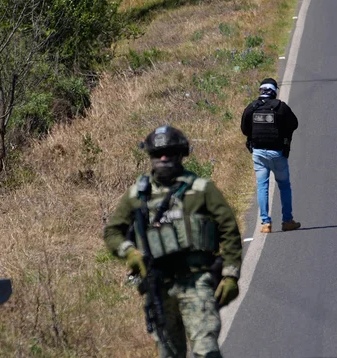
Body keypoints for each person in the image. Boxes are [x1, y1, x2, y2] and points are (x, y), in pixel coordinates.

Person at [103, 126, 243, 358]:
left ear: (181, 154)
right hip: (159, 286)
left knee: (206, 350)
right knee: (169, 353)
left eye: (169, 152)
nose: (164, 158)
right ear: (150, 156)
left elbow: (229, 230)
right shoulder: (137, 195)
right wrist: (129, 253)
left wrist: (230, 275)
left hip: (197, 281)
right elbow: (112, 232)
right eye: (158, 154)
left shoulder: (202, 190)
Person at [240, 78, 301, 233]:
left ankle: (265, 223)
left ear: (261, 90)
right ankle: (287, 221)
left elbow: (245, 129)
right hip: (277, 153)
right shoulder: (281, 107)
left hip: (258, 153)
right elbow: (294, 124)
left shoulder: (251, 107)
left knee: (262, 186)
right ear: (274, 91)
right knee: (284, 185)